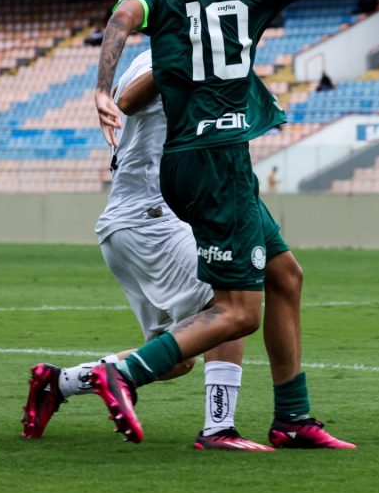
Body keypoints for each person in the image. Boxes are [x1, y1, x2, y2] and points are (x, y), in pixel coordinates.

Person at [90, 0, 356, 449]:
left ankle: (293, 419)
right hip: (217, 159)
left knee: (286, 276)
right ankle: (125, 374)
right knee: (237, 312)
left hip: (186, 161)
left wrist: (100, 86)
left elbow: (122, 16)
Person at [22, 50, 272, 451]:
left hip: (132, 223)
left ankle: (59, 382)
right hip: (151, 220)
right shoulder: (175, 56)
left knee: (175, 358)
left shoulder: (153, 56)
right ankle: (219, 429)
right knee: (231, 302)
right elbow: (130, 100)